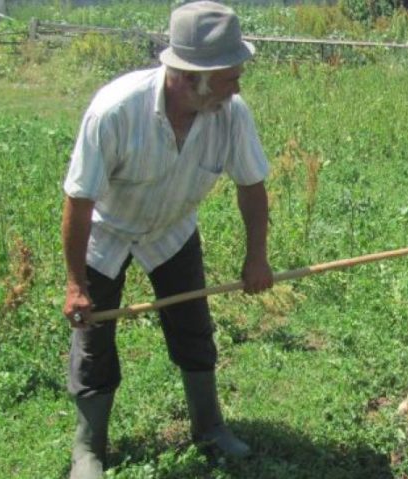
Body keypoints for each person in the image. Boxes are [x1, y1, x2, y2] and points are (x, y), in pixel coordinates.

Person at [60, 2, 273, 478]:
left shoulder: (231, 114)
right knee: (93, 339)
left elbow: (252, 187)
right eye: (228, 75)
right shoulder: (115, 111)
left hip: (171, 232)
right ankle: (88, 450)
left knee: (193, 327)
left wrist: (256, 258)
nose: (238, 84)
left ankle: (210, 427)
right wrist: (76, 284)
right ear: (190, 75)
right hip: (108, 234)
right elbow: (79, 200)